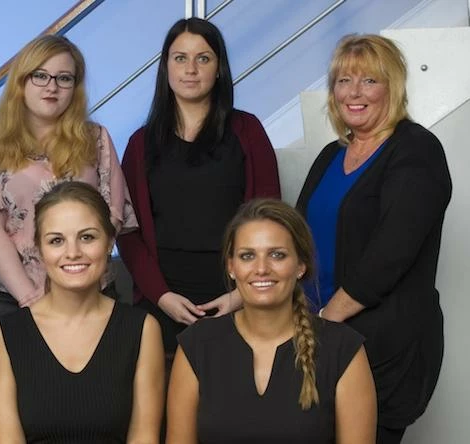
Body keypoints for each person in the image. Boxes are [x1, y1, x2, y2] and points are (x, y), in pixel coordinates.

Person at [296, 34, 451, 443]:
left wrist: (326, 319)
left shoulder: (416, 150)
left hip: (380, 349)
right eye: (344, 81)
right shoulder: (331, 154)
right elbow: (292, 238)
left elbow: (391, 254)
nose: (354, 93)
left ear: (393, 87)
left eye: (369, 81)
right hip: (318, 344)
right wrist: (247, 295)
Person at [0, 35, 137, 356]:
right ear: (22, 82)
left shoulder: (97, 139)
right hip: (9, 301)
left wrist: (75, 287)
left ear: (75, 88)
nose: (52, 87)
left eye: (64, 78)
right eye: (40, 76)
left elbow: (112, 217)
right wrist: (31, 299)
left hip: (89, 297)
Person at [117, 18, 281, 356]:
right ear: (166, 68)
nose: (191, 69)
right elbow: (127, 231)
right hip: (162, 300)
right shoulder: (140, 144)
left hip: (236, 294)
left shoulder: (247, 130)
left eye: (203, 58)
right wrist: (161, 296)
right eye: (180, 58)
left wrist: (240, 296)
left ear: (219, 68)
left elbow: (271, 220)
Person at [167, 199, 376, 443]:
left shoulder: (343, 349)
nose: (261, 268)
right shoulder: (197, 344)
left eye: (277, 254)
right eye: (247, 256)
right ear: (231, 267)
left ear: (300, 265)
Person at [0, 181, 162, 443]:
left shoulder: (143, 328)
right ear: (40, 250)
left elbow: (144, 437)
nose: (73, 252)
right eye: (56, 240)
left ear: (109, 242)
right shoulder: (3, 335)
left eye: (87, 237)